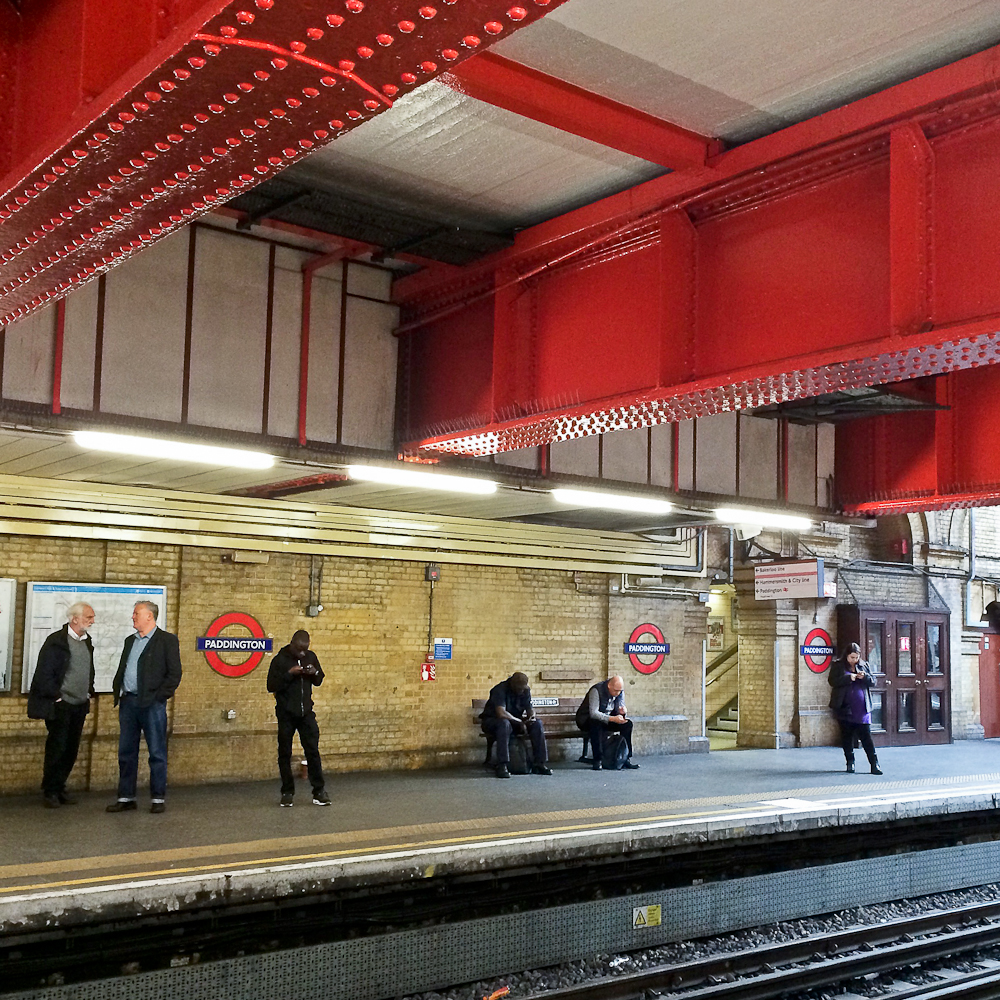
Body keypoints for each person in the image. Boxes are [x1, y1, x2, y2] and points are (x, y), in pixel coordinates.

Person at [106, 601, 182, 814]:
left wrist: (159, 697)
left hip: (152, 704)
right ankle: (126, 796)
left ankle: (157, 798)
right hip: (129, 702)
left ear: (149, 616)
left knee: (156, 751)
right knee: (126, 751)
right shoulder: (130, 641)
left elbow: (174, 673)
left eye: (136, 613)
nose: (132, 617)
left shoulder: (166, 640)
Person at [26, 603, 97, 808]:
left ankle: (60, 785)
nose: (92, 621)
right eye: (89, 617)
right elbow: (44, 673)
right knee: (57, 747)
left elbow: (87, 670)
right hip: (61, 704)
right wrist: (56, 696)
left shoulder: (87, 642)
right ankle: (50, 790)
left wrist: (88, 690)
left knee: (71, 748)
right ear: (74, 618)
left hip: (79, 704)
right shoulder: (56, 641)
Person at [267, 630, 330, 806]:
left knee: (313, 751)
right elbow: (271, 685)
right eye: (300, 649)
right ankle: (287, 792)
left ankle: (319, 791)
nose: (303, 653)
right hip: (286, 713)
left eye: (305, 649)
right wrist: (290, 674)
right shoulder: (280, 660)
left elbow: (319, 680)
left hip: (306, 713)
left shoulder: (311, 657)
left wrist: (314, 672)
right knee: (285, 753)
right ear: (292, 644)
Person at [480, 671, 552, 778]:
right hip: (492, 722)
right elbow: (501, 713)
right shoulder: (499, 689)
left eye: (523, 688)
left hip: (513, 721)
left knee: (537, 724)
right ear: (512, 684)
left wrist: (531, 716)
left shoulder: (525, 690)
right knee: (504, 724)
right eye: (519, 689)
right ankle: (502, 765)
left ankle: (539, 763)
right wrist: (520, 722)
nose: (521, 691)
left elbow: (529, 708)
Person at [829, 641, 882, 775]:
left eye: (857, 657)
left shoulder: (864, 665)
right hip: (844, 707)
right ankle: (850, 762)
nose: (854, 660)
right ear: (846, 656)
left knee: (866, 737)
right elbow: (832, 681)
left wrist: (865, 677)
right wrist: (848, 678)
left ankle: (874, 763)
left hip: (862, 708)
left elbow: (873, 682)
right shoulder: (838, 665)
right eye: (852, 657)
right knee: (847, 737)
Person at [576, 674, 639, 771]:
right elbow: (594, 713)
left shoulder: (619, 692)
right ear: (609, 686)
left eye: (620, 691)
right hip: (586, 720)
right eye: (615, 691)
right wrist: (613, 719)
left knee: (627, 724)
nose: (618, 693)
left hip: (608, 719)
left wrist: (622, 712)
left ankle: (626, 757)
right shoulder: (596, 691)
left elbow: (619, 709)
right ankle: (598, 759)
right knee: (596, 724)